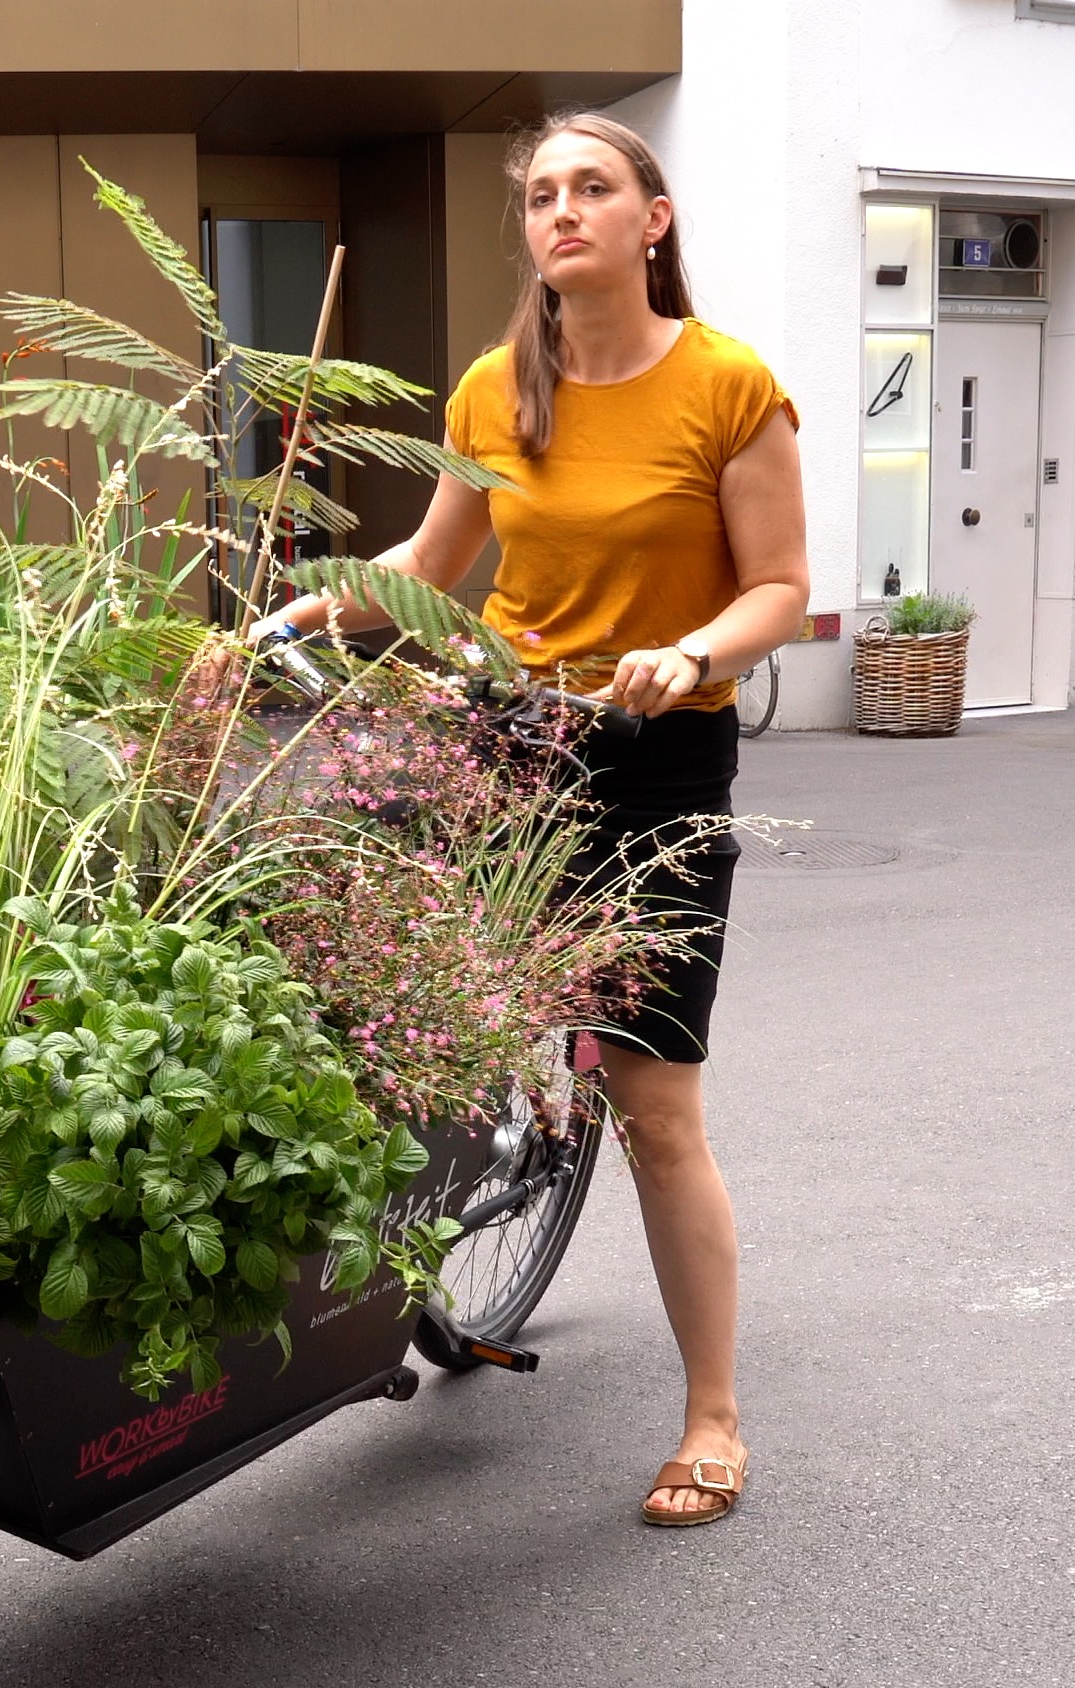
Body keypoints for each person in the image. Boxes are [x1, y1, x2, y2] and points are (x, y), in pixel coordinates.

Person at [254, 110, 807, 1528]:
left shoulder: (730, 388)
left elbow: (781, 588)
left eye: (593, 188)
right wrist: (309, 603)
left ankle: (713, 1417)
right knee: (396, 1014)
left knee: (654, 1108)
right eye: (543, 194)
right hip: (508, 746)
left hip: (651, 769)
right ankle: (464, 1196)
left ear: (652, 219)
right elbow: (437, 564)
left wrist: (697, 652)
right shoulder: (502, 391)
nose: (562, 212)